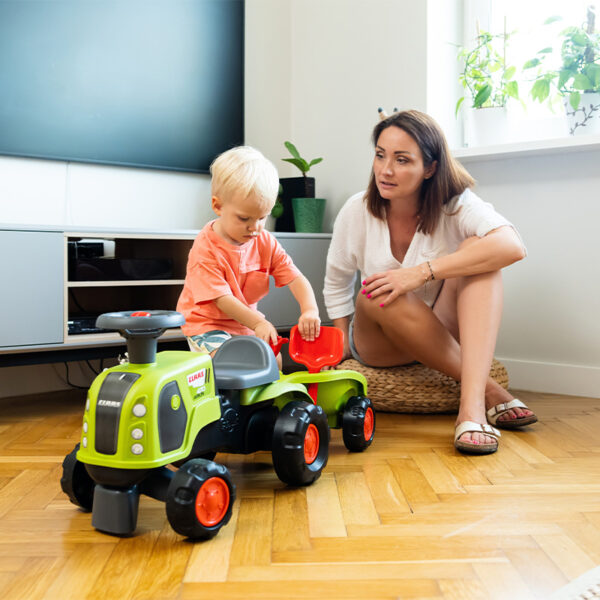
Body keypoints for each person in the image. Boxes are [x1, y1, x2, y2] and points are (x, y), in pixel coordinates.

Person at [324, 109, 535, 455]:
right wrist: (341, 339)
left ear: (431, 168)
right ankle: (489, 390)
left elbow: (512, 246)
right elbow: (337, 278)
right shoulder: (356, 209)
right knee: (377, 291)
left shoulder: (455, 205)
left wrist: (420, 272)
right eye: (380, 155)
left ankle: (470, 410)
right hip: (381, 341)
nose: (385, 170)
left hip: (439, 327)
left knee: (479, 251)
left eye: (402, 159)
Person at [177, 146, 321, 365]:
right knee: (229, 362)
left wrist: (309, 310)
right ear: (218, 206)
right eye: (244, 219)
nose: (254, 228)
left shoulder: (264, 240)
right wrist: (258, 324)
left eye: (262, 218)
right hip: (206, 325)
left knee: (273, 361)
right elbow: (223, 300)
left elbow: (295, 278)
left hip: (244, 323)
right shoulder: (205, 248)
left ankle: (265, 401)